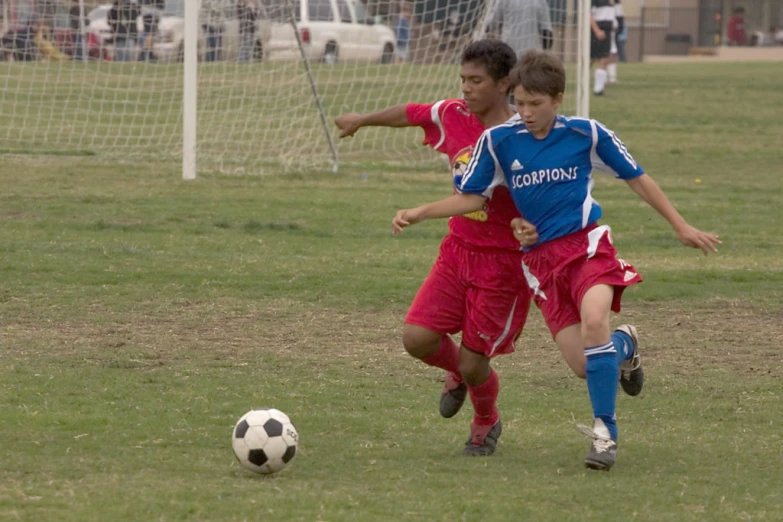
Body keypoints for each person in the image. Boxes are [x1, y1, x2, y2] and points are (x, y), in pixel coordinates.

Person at [392, 50, 721, 470]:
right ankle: (626, 345)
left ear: (558, 98)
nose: (526, 113)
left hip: (587, 248)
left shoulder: (587, 134)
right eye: (521, 103)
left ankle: (605, 435)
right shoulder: (499, 142)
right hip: (541, 264)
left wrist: (681, 225)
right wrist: (421, 211)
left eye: (536, 104)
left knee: (594, 321)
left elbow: (636, 177)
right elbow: (474, 196)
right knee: (586, 365)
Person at [335, 40, 534, 456]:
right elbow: (411, 113)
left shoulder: (525, 135)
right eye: (463, 79)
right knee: (417, 339)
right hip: (458, 250)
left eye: (476, 81)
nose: (466, 88)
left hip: (503, 264)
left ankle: (486, 420)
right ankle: (460, 371)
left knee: (475, 362)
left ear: (504, 84)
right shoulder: (452, 114)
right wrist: (362, 120)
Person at [485, 0, 553, 56]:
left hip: (509, 52)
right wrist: (546, 53)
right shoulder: (541, 1)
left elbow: (491, 24)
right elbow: (547, 32)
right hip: (532, 55)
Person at [590, 0, 614, 95]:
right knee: (591, 59)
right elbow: (589, 15)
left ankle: (598, 89)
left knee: (604, 59)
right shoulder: (595, 1)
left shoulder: (612, 2)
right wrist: (597, 31)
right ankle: (581, 81)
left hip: (607, 32)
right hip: (596, 32)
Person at [607, 0, 624, 84]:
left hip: (612, 32)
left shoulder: (617, 5)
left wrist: (618, 29)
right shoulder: (602, 4)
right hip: (604, 29)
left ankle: (612, 78)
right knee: (605, 55)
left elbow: (620, 20)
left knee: (612, 54)